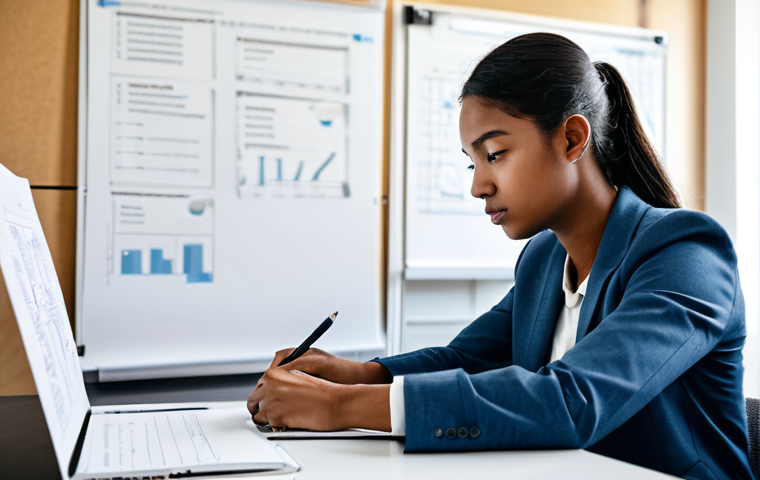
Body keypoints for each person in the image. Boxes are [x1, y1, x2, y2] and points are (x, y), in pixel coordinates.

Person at [247, 33, 755, 480]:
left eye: (495, 154)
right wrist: (358, 374)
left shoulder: (685, 252)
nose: (478, 185)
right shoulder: (543, 258)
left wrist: (341, 407)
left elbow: (572, 401)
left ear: (572, 139)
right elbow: (467, 359)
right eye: (472, 161)